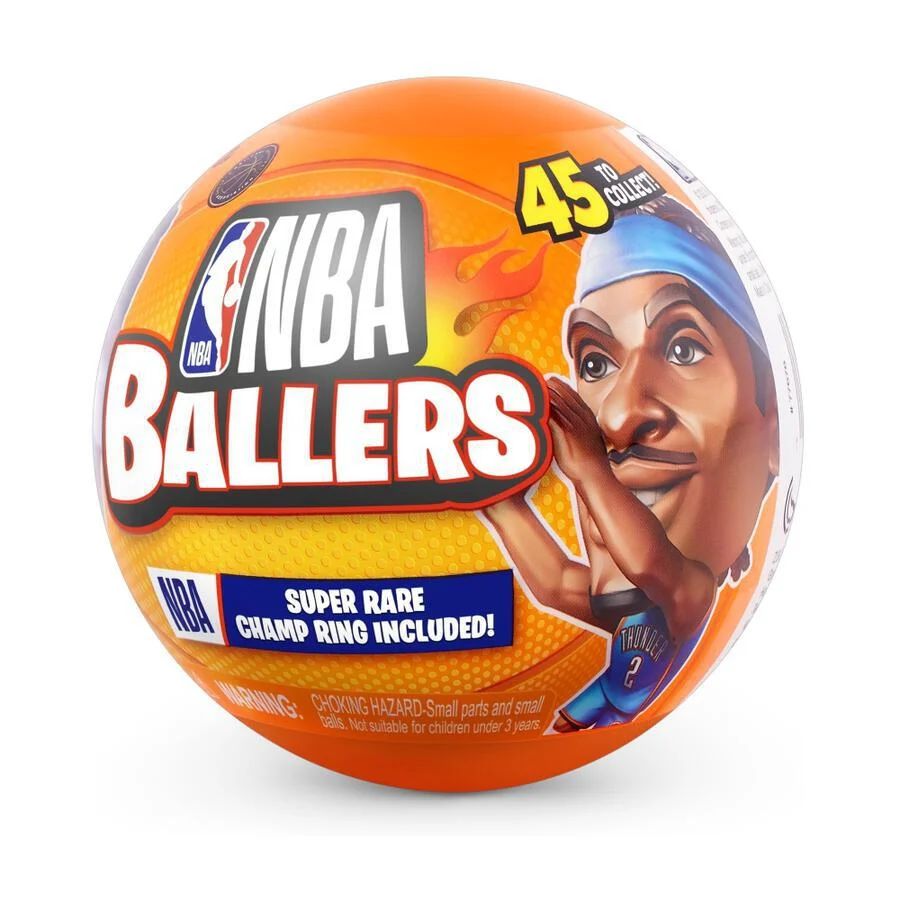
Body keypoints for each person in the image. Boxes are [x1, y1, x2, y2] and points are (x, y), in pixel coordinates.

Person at [482, 197, 779, 730]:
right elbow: (554, 583)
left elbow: (648, 561)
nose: (617, 418)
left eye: (683, 349)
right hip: (599, 714)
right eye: (595, 363)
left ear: (774, 423)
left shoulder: (691, 593)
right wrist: (497, 500)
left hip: (607, 717)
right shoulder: (628, 609)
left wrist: (590, 470)